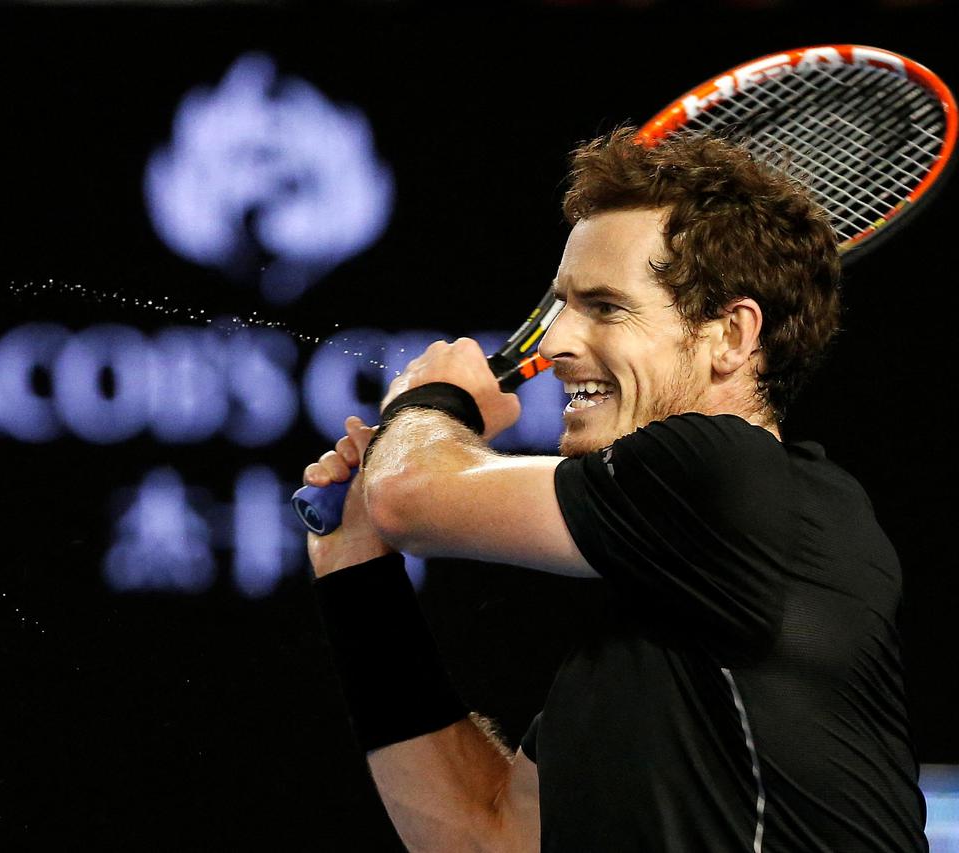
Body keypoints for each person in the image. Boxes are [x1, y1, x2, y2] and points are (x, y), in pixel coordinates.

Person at [302, 128, 929, 852]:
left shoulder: (731, 473)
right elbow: (485, 833)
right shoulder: (669, 595)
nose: (555, 343)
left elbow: (408, 493)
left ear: (731, 334)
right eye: (562, 304)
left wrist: (434, 403)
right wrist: (357, 568)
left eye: (605, 306)